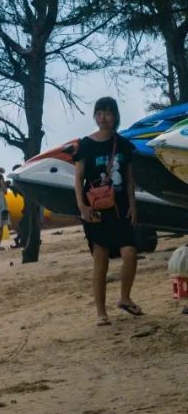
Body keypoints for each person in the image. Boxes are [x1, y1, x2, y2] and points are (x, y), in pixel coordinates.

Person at [74, 96, 141, 326]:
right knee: (100, 260)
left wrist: (133, 206)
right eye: (99, 113)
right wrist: (81, 207)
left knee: (130, 252)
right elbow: (78, 178)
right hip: (95, 209)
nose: (103, 117)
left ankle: (124, 297)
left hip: (120, 207)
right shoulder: (85, 144)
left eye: (108, 113)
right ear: (95, 116)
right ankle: (101, 312)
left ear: (115, 116)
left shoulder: (123, 145)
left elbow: (130, 180)